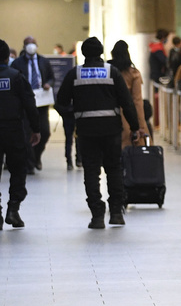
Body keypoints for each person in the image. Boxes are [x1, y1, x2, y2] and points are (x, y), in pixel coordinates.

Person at [55, 37, 143, 229]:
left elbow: (60, 102)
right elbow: (127, 103)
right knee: (114, 169)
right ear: (101, 52)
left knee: (92, 172)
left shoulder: (75, 74)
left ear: (83, 53)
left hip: (86, 132)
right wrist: (135, 127)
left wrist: (74, 114)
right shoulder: (112, 73)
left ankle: (97, 215)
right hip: (111, 130)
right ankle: (117, 213)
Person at [0, 39, 40, 229]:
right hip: (14, 130)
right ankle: (13, 210)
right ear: (8, 57)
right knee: (18, 170)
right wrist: (36, 128)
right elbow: (30, 104)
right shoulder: (16, 77)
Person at [11, 36, 53, 172]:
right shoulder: (17, 63)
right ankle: (30, 163)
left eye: (33, 43)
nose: (31, 46)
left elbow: (52, 77)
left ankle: (36, 156)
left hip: (41, 101)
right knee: (26, 133)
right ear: (24, 46)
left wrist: (48, 84)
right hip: (25, 102)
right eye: (28, 44)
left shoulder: (44, 62)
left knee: (45, 132)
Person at [109, 41, 147, 148]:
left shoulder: (109, 71)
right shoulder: (133, 74)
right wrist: (141, 126)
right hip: (129, 117)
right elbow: (137, 101)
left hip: (110, 116)